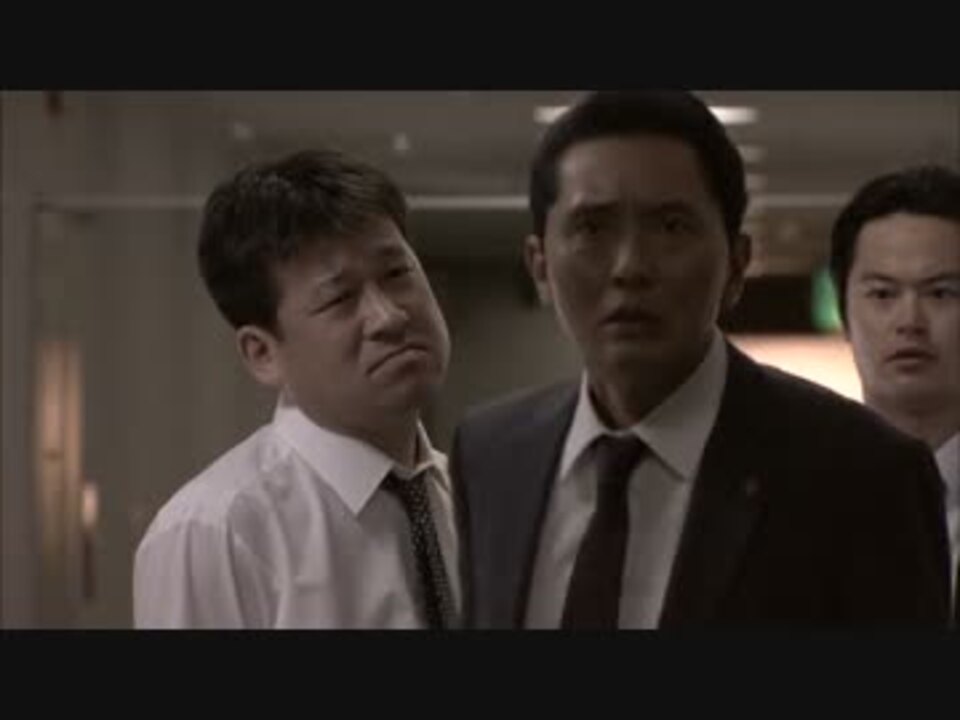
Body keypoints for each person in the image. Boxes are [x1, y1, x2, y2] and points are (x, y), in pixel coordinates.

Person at [450, 91, 951, 628]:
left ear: (736, 263)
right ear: (540, 265)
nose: (630, 267)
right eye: (592, 228)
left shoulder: (862, 473)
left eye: (671, 227)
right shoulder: (493, 457)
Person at [134, 148, 459, 628]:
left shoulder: (469, 498)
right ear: (263, 353)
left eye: (396, 274)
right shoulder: (217, 529)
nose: (389, 316)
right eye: (340, 298)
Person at [830, 164, 960, 625]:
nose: (910, 322)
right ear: (844, 312)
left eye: (941, 294)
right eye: (883, 295)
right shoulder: (787, 497)